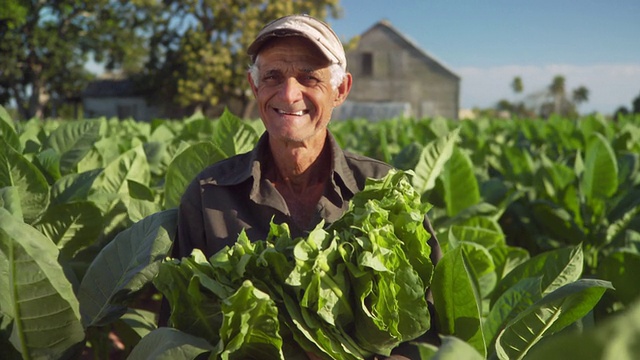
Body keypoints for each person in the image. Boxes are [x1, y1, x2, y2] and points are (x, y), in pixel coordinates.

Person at [168, 14, 442, 359]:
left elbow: (429, 326)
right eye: (273, 77)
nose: (289, 93)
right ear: (255, 88)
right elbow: (180, 324)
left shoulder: (383, 192)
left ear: (340, 90)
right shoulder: (209, 195)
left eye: (309, 78)